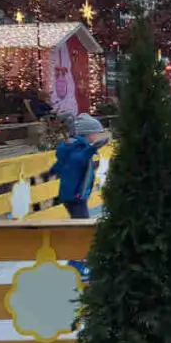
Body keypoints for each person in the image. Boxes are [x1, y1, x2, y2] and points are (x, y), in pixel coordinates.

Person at [30, 113, 110, 278]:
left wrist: (48, 174)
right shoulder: (78, 149)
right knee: (82, 231)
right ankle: (76, 265)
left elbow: (60, 167)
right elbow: (78, 160)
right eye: (95, 133)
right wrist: (92, 149)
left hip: (74, 196)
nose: (97, 136)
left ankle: (78, 263)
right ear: (87, 134)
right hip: (75, 197)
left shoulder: (73, 147)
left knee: (81, 229)